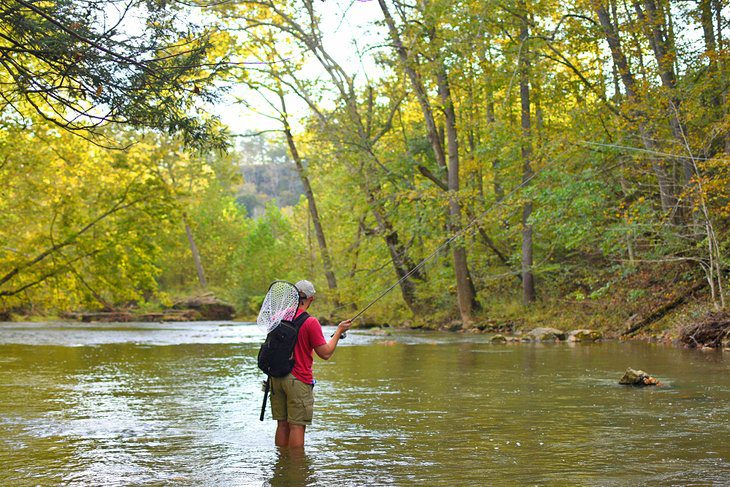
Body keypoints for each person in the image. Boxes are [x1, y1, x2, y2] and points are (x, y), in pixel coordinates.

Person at [269, 279, 351, 448]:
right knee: (297, 426)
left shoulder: (278, 316)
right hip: (298, 379)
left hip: (275, 378)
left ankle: (282, 465)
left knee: (282, 425)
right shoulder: (311, 322)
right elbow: (325, 353)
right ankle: (296, 469)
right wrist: (338, 332)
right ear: (311, 299)